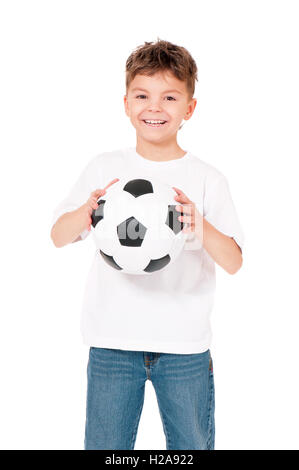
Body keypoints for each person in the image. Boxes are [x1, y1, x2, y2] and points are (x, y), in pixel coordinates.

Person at [50, 38, 244, 450]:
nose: (154, 107)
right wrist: (85, 211)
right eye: (142, 95)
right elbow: (58, 236)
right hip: (112, 344)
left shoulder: (207, 178)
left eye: (169, 97)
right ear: (125, 103)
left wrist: (200, 225)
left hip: (185, 347)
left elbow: (234, 262)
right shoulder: (105, 169)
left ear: (189, 108)